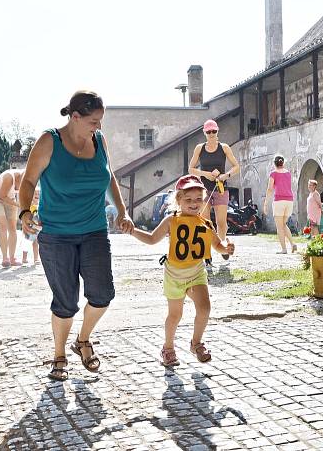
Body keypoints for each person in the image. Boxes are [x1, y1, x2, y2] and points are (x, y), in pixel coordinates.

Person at [19, 90, 133, 382]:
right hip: (57, 234)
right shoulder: (49, 141)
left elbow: (109, 178)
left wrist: (122, 211)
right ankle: (59, 354)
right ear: (75, 117)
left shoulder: (99, 141)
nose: (98, 127)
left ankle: (82, 339)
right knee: (66, 301)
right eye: (94, 121)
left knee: (103, 294)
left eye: (100, 121)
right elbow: (29, 180)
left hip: (94, 230)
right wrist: (24, 212)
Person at [128, 174, 234, 366]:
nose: (194, 204)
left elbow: (217, 245)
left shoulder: (205, 223)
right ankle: (168, 348)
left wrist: (226, 247)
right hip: (174, 275)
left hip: (196, 273)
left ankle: (196, 343)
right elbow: (152, 239)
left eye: (198, 200)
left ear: (204, 200)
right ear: (178, 200)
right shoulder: (171, 220)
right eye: (188, 200)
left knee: (204, 308)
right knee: (175, 315)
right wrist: (133, 231)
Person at [188, 119, 240, 262]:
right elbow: (191, 169)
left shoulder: (224, 148)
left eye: (214, 131)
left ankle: (222, 246)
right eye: (208, 131)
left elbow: (236, 166)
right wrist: (206, 174)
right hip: (203, 190)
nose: (211, 134)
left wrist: (225, 175)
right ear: (204, 133)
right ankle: (206, 253)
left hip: (220, 188)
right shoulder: (200, 148)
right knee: (206, 222)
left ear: (217, 132)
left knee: (221, 222)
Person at [0, 168, 25, 267]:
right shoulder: (9, 177)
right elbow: (3, 196)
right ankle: (5, 258)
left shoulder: (24, 179)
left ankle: (12, 258)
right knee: (3, 225)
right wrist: (18, 205)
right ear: (19, 178)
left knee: (12, 228)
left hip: (10, 198)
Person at [262, 155, 297, 254]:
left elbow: (269, 189)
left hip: (279, 201)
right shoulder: (288, 173)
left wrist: (265, 204)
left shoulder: (273, 173)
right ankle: (293, 244)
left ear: (274, 163)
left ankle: (284, 249)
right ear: (283, 163)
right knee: (283, 224)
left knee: (279, 227)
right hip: (289, 201)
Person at [21, 187, 41, 265]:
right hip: (29, 226)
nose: (37, 195)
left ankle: (36, 258)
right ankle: (24, 258)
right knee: (26, 242)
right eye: (35, 194)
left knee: (35, 242)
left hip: (37, 227)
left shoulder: (40, 205)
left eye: (38, 194)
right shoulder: (29, 205)